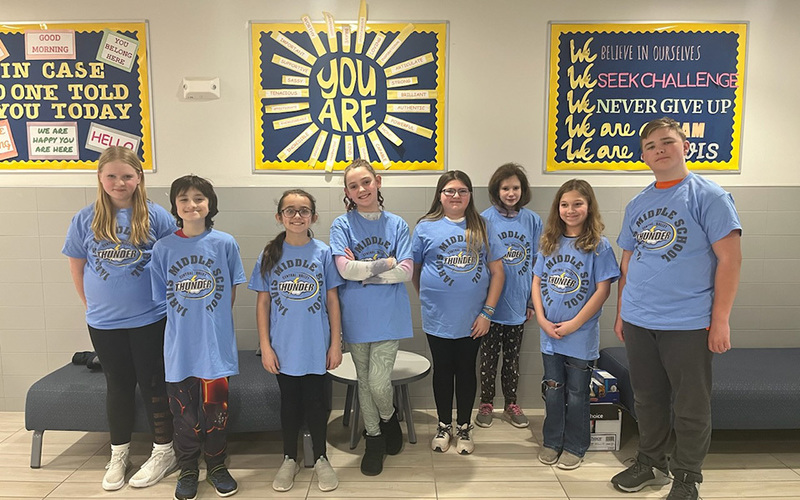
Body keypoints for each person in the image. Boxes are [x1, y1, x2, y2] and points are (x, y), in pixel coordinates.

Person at [611, 117, 742, 500]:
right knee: (647, 399)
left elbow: (730, 261)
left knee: (690, 405)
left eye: (667, 142)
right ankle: (651, 463)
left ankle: (688, 476)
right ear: (643, 156)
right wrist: (622, 312)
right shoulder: (638, 203)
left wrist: (720, 321)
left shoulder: (709, 196)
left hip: (688, 322)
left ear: (686, 146)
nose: (659, 150)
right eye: (650, 146)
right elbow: (627, 263)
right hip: (639, 319)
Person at [62, 146, 177, 491]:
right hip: (104, 321)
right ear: (100, 178)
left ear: (139, 178)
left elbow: (176, 260)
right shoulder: (86, 218)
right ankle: (119, 453)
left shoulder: (157, 217)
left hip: (150, 318)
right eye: (111, 175)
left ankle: (163, 450)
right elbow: (76, 266)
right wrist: (92, 304)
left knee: (154, 382)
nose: (119, 182)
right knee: (118, 384)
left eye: (127, 176)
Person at [150, 175, 247, 500]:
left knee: (216, 411)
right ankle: (188, 467)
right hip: (179, 349)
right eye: (184, 199)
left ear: (210, 203)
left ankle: (217, 465)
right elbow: (161, 300)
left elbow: (230, 293)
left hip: (215, 349)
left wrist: (211, 324)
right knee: (184, 414)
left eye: (199, 198)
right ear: (175, 206)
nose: (192, 205)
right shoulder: (163, 248)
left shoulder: (225, 243)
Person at [248, 189, 343, 493]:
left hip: (316, 344)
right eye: (290, 210)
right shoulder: (269, 255)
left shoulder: (323, 252)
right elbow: (263, 304)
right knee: (289, 404)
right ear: (280, 217)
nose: (297, 216)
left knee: (316, 403)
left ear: (313, 216)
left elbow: (332, 300)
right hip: (284, 346)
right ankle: (289, 457)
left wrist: (336, 343)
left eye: (304, 211)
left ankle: (322, 458)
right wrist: (265, 346)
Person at [412, 170, 505, 455]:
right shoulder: (425, 227)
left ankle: (464, 427)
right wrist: (430, 298)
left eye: (462, 191)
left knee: (466, 371)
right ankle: (444, 426)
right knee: (442, 371)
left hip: (474, 320)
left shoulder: (482, 226)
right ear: (440, 195)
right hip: (437, 318)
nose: (456, 196)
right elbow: (415, 271)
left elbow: (498, 272)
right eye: (450, 191)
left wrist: (487, 313)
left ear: (470, 195)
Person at [329, 159, 413, 475]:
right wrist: (386, 262)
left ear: (377, 181)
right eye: (353, 186)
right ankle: (375, 439)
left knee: (379, 384)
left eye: (366, 182)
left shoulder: (398, 225)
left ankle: (389, 419)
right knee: (364, 381)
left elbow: (406, 272)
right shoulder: (342, 225)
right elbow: (343, 269)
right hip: (356, 316)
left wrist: (364, 273)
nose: (361, 190)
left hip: (389, 316)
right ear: (347, 192)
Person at [531, 179, 619, 470]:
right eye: (565, 204)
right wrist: (542, 320)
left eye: (577, 204)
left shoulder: (599, 246)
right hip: (550, 335)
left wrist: (573, 324)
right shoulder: (549, 242)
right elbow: (537, 281)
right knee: (554, 389)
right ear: (558, 208)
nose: (570, 210)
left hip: (579, 336)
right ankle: (552, 441)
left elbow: (602, 290)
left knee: (577, 393)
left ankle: (575, 445)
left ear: (589, 206)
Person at [476, 163, 543, 429]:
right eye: (506, 188)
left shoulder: (533, 221)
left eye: (515, 187)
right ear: (496, 190)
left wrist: (530, 302)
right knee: (488, 358)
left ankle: (512, 403)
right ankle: (486, 403)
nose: (511, 192)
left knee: (512, 359)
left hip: (518, 305)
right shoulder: (484, 219)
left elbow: (538, 261)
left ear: (522, 190)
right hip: (490, 307)